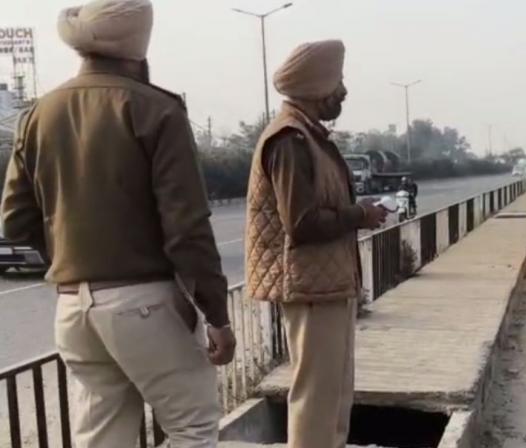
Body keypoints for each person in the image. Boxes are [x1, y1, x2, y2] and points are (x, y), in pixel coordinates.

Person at [0, 1, 236, 446]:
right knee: (193, 426)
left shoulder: (36, 115)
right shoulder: (156, 109)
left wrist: (76, 255)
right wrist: (217, 316)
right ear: (139, 49)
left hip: (73, 309)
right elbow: (187, 230)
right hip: (144, 302)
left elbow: (15, 221)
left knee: (105, 435)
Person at [245, 39, 387, 448]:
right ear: (317, 86)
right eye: (337, 81)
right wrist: (359, 214)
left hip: (327, 285)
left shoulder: (309, 136)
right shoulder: (290, 140)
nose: (343, 90)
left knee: (334, 397)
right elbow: (302, 223)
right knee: (316, 398)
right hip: (310, 288)